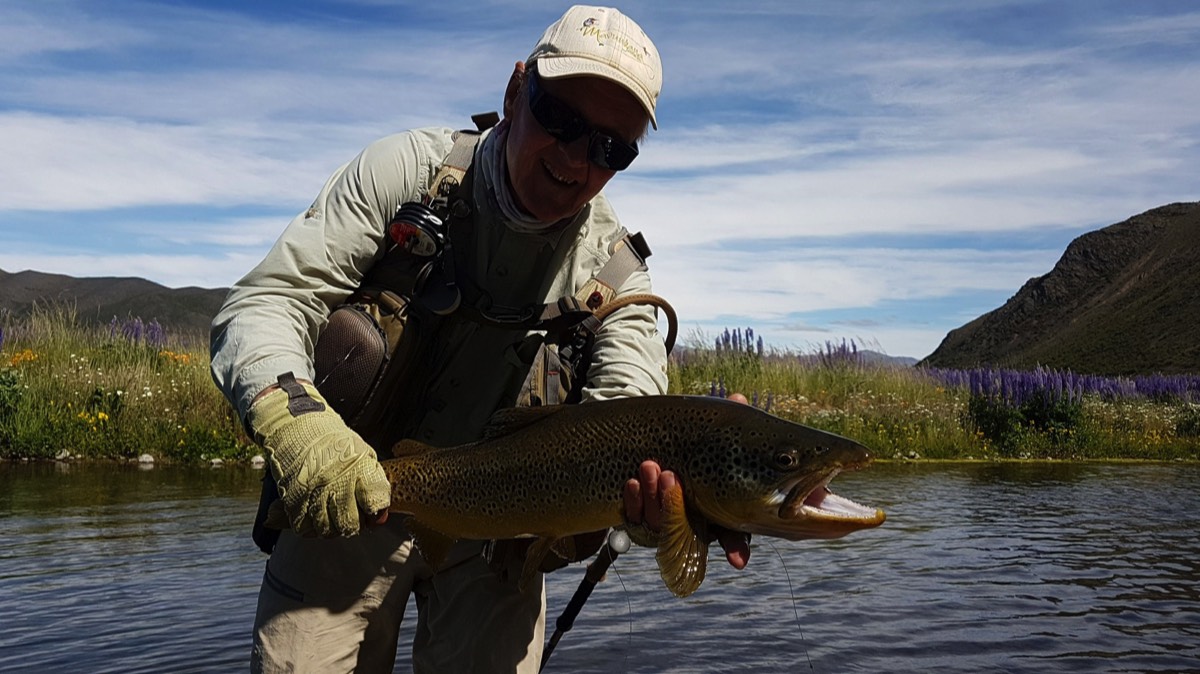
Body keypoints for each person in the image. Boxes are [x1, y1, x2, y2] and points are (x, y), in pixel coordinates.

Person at [210, 5, 749, 672]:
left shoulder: (617, 279)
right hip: (346, 488)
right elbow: (270, 299)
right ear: (516, 90)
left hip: (504, 534)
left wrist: (658, 495)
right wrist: (296, 424)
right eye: (562, 120)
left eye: (612, 149)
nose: (578, 158)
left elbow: (628, 416)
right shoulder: (406, 171)